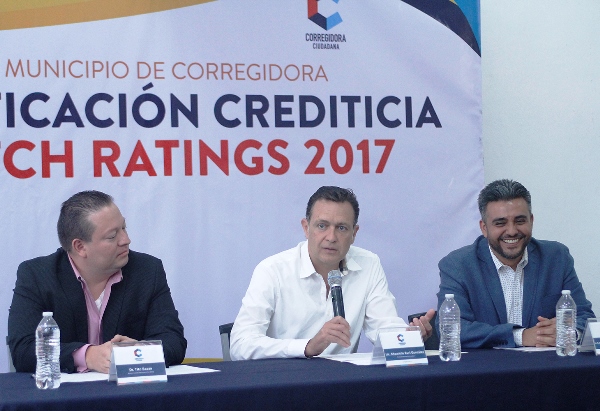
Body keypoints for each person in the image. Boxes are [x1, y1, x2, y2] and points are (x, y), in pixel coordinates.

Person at [230, 186, 434, 360]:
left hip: (342, 384)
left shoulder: (369, 264)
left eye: (342, 228)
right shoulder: (272, 270)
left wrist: (408, 338)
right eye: (322, 226)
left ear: (354, 234)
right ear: (306, 228)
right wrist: (308, 346)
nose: (331, 237)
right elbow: (240, 344)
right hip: (284, 383)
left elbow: (383, 326)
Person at [7, 190, 186, 373]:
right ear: (80, 247)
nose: (126, 240)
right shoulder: (37, 276)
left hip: (129, 389)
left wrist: (139, 351)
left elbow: (174, 342)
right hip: (65, 391)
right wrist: (86, 356)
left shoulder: (147, 270)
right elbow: (23, 350)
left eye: (124, 228)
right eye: (112, 236)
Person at [437, 179, 595, 348]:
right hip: (487, 364)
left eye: (520, 221)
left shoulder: (557, 258)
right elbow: (451, 329)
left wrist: (568, 333)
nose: (512, 231)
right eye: (500, 223)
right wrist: (520, 336)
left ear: (531, 221)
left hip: (546, 363)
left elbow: (585, 317)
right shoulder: (457, 265)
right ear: (484, 228)